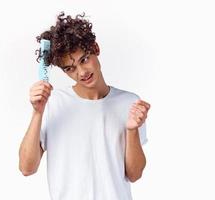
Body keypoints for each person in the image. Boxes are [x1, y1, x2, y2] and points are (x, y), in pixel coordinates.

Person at [18, 12, 151, 200]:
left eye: (84, 59)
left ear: (95, 48)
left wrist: (132, 130)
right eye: (70, 68)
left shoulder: (129, 103)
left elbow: (135, 174)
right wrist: (37, 112)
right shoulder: (53, 103)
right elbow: (26, 168)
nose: (81, 72)